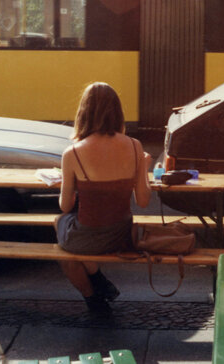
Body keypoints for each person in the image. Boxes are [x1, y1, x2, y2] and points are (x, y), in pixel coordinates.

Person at [55, 82, 152, 314]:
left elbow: (65, 205)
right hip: (122, 234)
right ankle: (99, 283)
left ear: (84, 112)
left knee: (60, 229)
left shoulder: (73, 153)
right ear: (117, 112)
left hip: (89, 235)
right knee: (69, 236)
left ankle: (94, 297)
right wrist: (144, 167)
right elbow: (143, 201)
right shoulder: (134, 146)